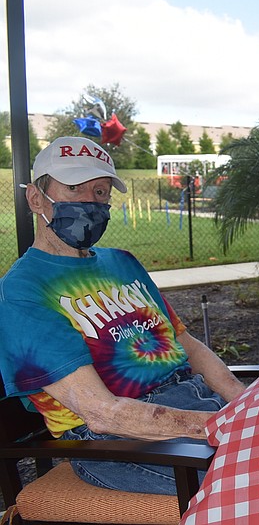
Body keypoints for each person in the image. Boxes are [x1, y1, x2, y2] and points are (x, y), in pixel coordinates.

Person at [0, 137, 246, 495]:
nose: (90, 201)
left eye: (100, 192)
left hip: (196, 403)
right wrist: (229, 426)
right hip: (120, 441)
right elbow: (101, 413)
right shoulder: (23, 291)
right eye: (73, 188)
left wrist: (244, 401)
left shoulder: (123, 262)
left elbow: (186, 345)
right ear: (37, 199)